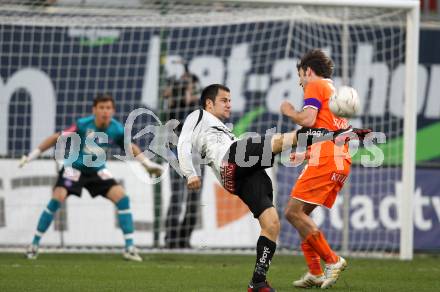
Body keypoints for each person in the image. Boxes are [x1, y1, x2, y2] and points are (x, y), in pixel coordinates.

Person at [177, 84, 364, 291]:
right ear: (208, 103)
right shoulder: (198, 116)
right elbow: (183, 143)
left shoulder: (222, 128)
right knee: (284, 140)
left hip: (237, 176)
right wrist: (190, 173)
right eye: (224, 100)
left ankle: (258, 281)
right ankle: (335, 133)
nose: (229, 105)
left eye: (230, 100)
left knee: (272, 223)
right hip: (231, 157)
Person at [19, 93, 163, 261]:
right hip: (74, 168)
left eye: (108, 108)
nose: (105, 111)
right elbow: (56, 138)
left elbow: (131, 147)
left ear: (113, 110)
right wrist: (31, 156)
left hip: (97, 171)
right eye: (101, 108)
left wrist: (147, 165)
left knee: (122, 198)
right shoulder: (82, 125)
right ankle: (34, 245)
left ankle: (130, 248)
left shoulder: (116, 129)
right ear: (94, 110)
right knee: (57, 198)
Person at [280, 49, 352, 289]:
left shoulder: (315, 85)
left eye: (300, 76)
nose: (300, 82)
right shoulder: (334, 92)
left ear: (308, 71)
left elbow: (309, 120)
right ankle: (315, 272)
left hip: (327, 159)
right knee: (302, 216)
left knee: (292, 212)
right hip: (340, 160)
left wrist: (289, 111)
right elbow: (331, 132)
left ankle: (332, 260)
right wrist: (306, 153)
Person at [163, 66, 203, 248]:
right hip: (177, 153)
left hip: (197, 155)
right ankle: (171, 239)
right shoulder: (174, 104)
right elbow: (171, 104)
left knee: (194, 200)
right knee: (177, 197)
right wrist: (175, 92)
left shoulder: (201, 108)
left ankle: (184, 238)